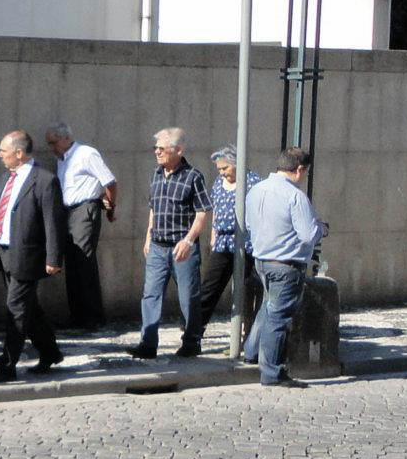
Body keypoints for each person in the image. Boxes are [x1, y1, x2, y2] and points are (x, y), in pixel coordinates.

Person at [0, 131, 66, 382]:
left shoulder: (44, 180)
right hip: (5, 250)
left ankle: (6, 365)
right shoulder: (8, 177)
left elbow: (53, 222)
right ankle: (50, 352)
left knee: (15, 309)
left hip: (27, 255)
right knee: (29, 308)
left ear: (19, 153)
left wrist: (54, 258)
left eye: (3, 151)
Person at [243, 148, 324, 387]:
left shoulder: (256, 190)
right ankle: (272, 373)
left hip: (262, 261)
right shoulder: (295, 196)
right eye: (305, 172)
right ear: (299, 169)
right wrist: (322, 228)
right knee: (278, 317)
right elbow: (308, 234)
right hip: (286, 265)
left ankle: (252, 351)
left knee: (268, 308)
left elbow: (249, 224)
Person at [127, 127, 210, 361]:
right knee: (150, 295)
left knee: (188, 297)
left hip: (182, 247)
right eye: (155, 148)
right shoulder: (156, 174)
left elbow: (203, 212)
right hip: (157, 246)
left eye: (162, 148)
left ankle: (191, 342)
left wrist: (189, 240)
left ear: (178, 150)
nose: (157, 152)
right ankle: (147, 344)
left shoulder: (193, 176)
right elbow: (153, 208)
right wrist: (148, 236)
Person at [45, 123, 118, 330]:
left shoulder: (86, 154)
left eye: (53, 143)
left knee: (84, 261)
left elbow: (109, 182)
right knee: (72, 264)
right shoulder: (62, 160)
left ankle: (93, 316)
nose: (52, 148)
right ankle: (77, 315)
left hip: (84, 209)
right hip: (67, 212)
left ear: (65, 139)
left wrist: (110, 206)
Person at [191, 146, 263, 346]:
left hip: (246, 244)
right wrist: (213, 235)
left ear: (236, 164)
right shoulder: (218, 182)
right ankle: (194, 333)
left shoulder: (253, 182)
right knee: (209, 287)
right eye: (219, 169)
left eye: (225, 168)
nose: (222, 172)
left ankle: (249, 337)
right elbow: (215, 209)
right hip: (223, 243)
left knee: (246, 290)